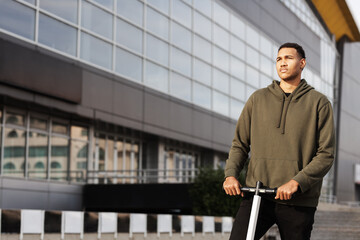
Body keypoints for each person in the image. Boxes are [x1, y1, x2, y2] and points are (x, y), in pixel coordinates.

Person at [223, 42, 335, 240]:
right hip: (257, 195)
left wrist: (296, 182)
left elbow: (326, 154)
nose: (282, 63)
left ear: (302, 63)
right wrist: (231, 175)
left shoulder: (319, 103)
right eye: (279, 59)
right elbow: (240, 144)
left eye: (288, 58)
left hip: (297, 200)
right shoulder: (257, 99)